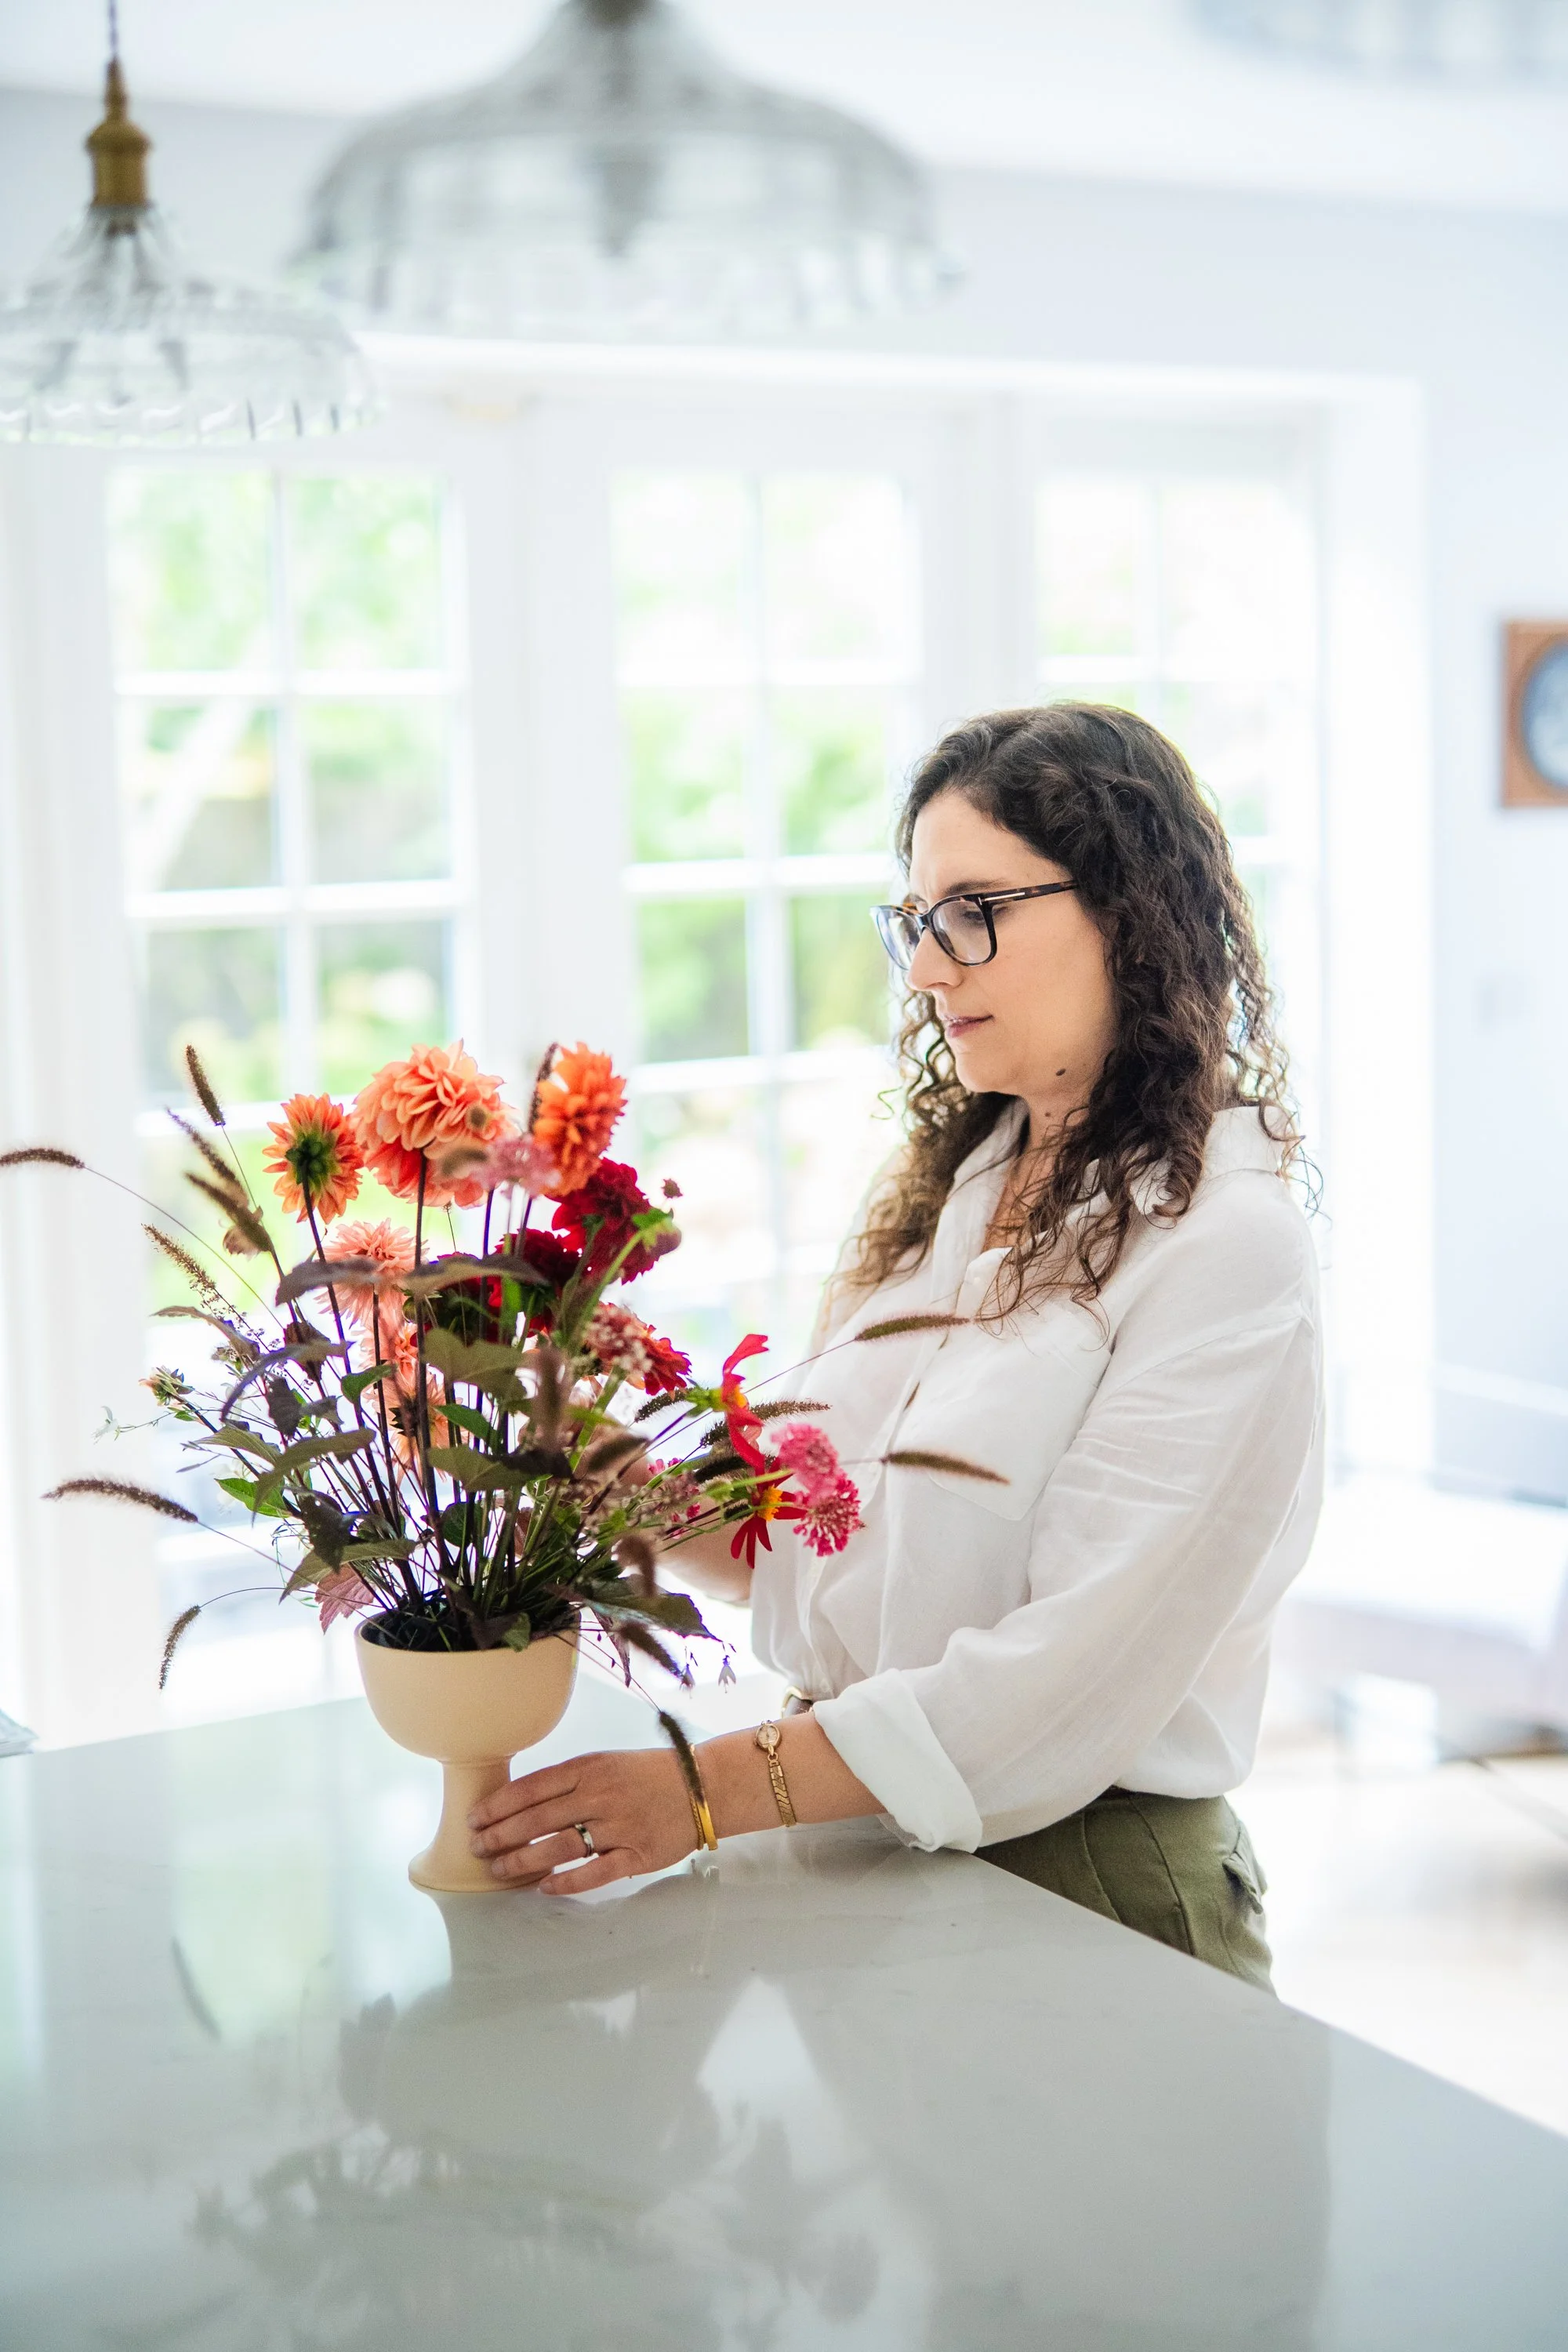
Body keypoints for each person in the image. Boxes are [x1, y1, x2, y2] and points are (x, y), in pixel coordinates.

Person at [467, 704, 1323, 1990]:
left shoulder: (1228, 1250)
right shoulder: (961, 1194)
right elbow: (815, 1552)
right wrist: (558, 1454)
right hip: (873, 1847)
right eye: (917, 920)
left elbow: (1057, 1688)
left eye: (974, 908)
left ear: (1131, 916)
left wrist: (700, 1791)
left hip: (1093, 1892)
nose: (929, 968)